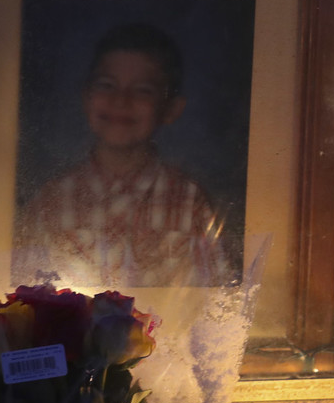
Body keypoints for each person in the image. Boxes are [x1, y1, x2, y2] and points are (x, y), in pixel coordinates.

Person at [17, 22, 226, 288]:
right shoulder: (50, 203)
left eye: (142, 90)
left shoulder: (190, 203)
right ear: (86, 96)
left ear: (171, 108)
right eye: (107, 85)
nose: (121, 101)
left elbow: (215, 301)